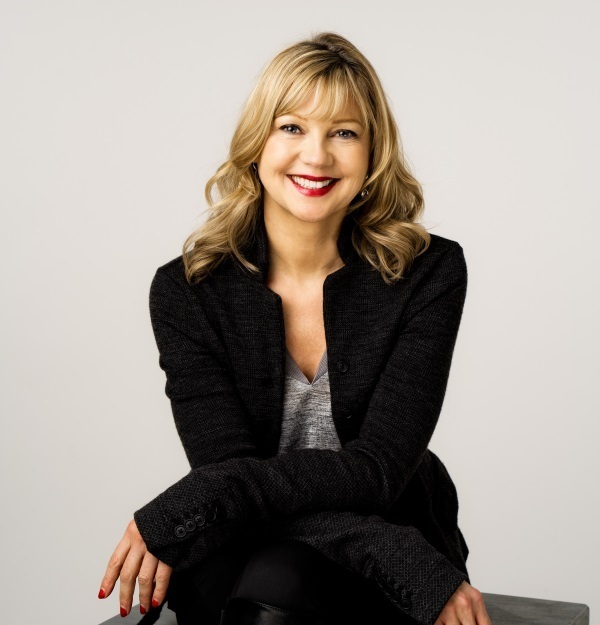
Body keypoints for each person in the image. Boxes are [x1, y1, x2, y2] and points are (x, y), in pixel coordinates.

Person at [98, 32, 491, 625]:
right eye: (291, 127)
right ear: (257, 143)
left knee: (278, 583)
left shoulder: (427, 273)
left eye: (344, 133)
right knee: (243, 584)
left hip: (386, 535)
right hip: (248, 541)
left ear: (373, 152)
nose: (317, 156)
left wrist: (194, 503)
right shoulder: (188, 291)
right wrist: (212, 497)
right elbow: (228, 467)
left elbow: (377, 471)